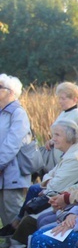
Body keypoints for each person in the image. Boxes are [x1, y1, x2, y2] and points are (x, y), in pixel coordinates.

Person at [0, 74, 32, 233]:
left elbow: (13, 143)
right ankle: (8, 241)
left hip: (14, 169)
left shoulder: (17, 113)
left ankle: (19, 243)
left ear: (11, 92)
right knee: (3, 209)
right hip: (3, 169)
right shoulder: (2, 112)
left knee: (13, 207)